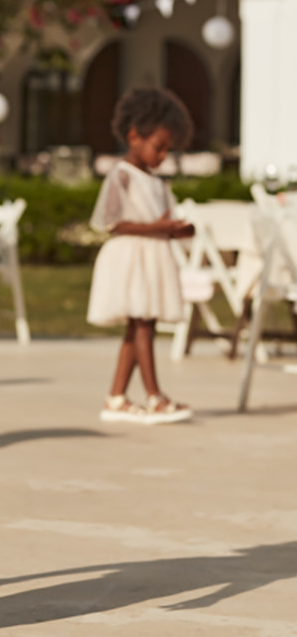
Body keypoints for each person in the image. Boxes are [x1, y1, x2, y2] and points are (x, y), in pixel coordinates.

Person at [87, 87, 195, 424]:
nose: (162, 155)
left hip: (152, 258)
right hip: (132, 258)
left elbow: (161, 220)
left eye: (168, 150)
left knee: (139, 327)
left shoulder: (158, 182)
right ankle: (154, 396)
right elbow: (111, 222)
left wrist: (178, 230)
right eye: (158, 147)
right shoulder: (121, 175)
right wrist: (158, 228)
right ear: (134, 136)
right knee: (142, 323)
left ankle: (117, 397)